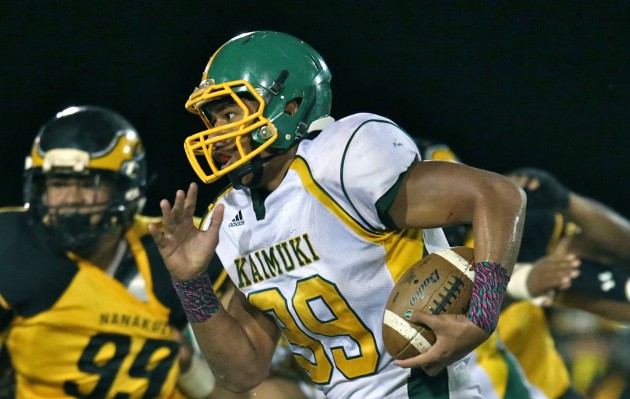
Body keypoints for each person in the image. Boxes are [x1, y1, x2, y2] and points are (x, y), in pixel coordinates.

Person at [149, 31, 526, 399]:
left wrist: (482, 314)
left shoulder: (339, 163)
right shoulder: (232, 217)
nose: (218, 134)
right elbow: (243, 372)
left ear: (290, 106)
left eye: (230, 112)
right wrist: (191, 283)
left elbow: (497, 195)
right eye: (213, 121)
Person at [0, 106, 215, 398]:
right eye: (59, 183)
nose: (71, 200)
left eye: (90, 183)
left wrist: (189, 365)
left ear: (125, 188)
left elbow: (242, 377)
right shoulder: (13, 246)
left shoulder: (172, 248)